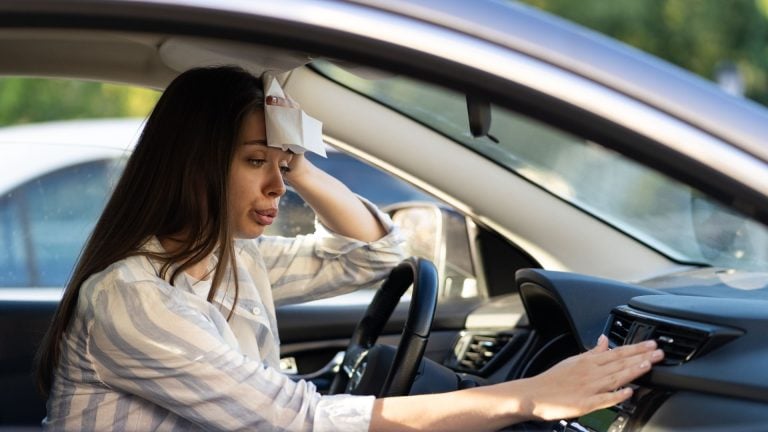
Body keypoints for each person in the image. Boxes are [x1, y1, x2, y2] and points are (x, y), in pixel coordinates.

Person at [35, 65, 663, 431]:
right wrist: (528, 396)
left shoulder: (226, 260)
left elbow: (372, 254)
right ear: (194, 165)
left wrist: (297, 159)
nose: (278, 184)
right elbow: (299, 422)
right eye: (256, 161)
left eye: (282, 164)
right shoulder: (134, 298)